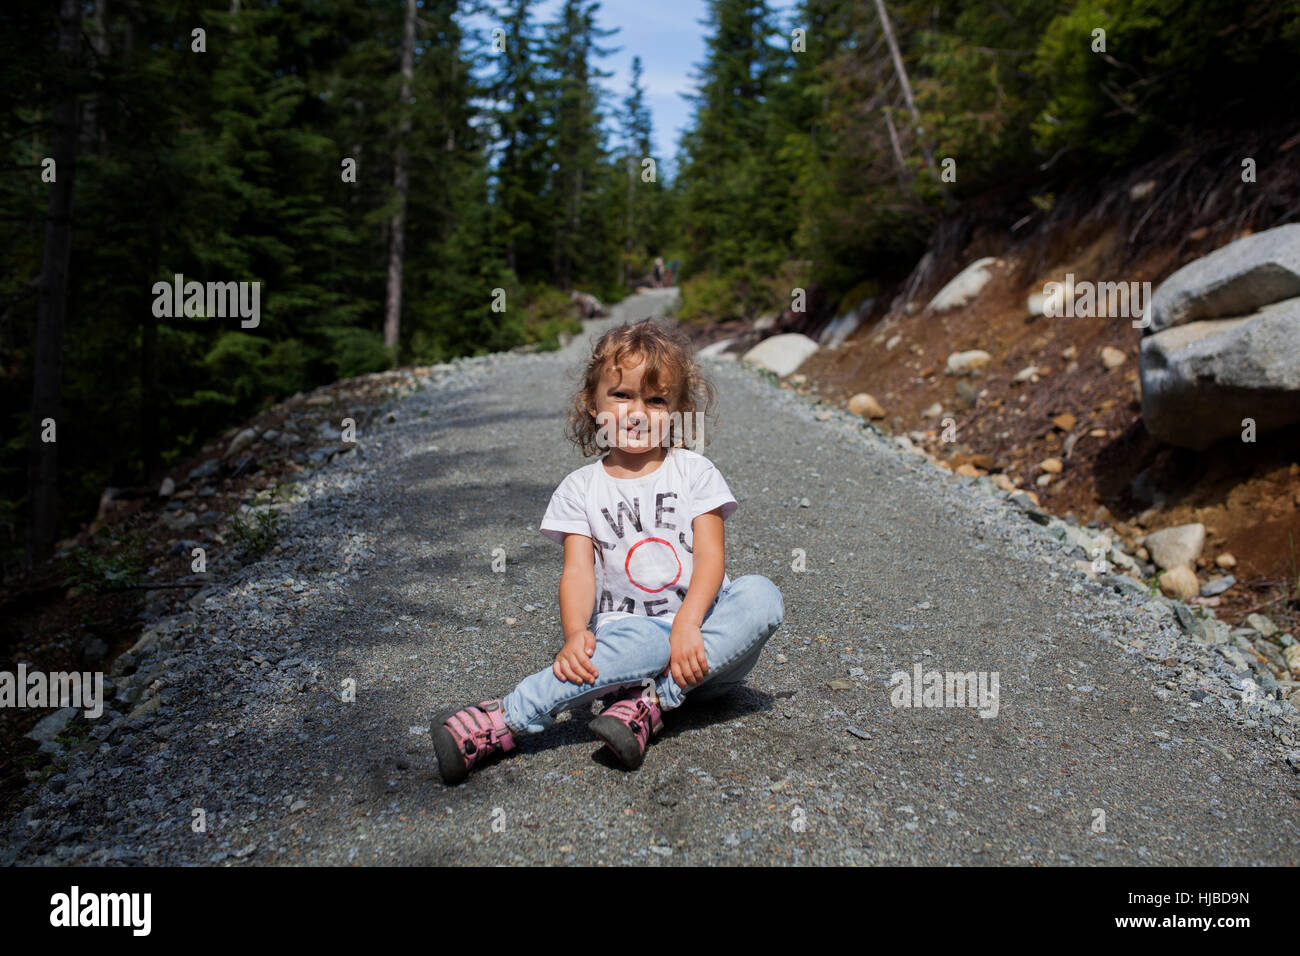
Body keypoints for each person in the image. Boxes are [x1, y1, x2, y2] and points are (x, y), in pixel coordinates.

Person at [432, 319, 785, 784]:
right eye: (622, 395)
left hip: (704, 647)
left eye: (656, 400)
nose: (638, 412)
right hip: (631, 646)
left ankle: (653, 702)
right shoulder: (580, 489)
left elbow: (712, 558)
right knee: (645, 642)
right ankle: (506, 718)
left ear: (679, 411)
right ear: (591, 403)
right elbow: (578, 573)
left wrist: (687, 623)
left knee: (761, 595)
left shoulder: (695, 472)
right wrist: (575, 632)